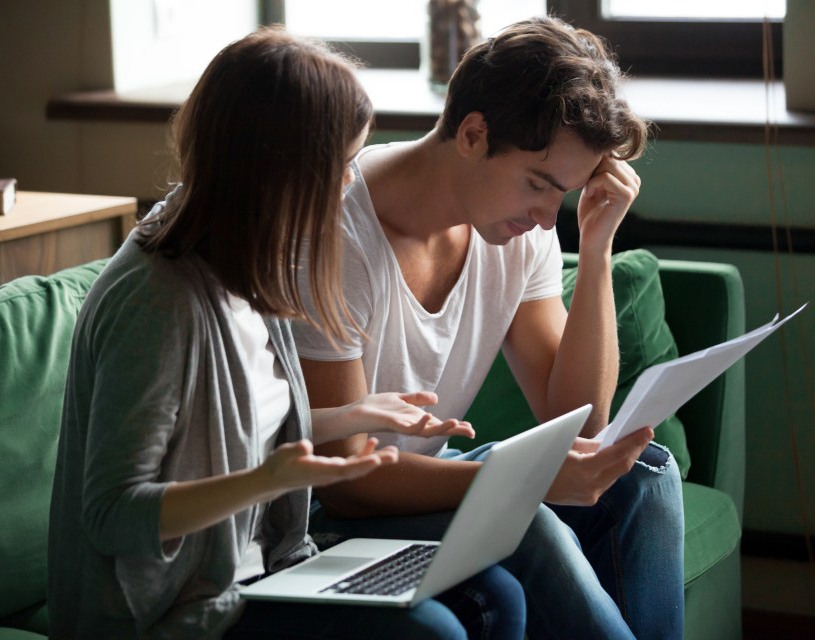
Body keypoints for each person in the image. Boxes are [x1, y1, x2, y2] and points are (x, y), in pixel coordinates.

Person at [47, 27, 527, 640]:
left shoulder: (250, 262)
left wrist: (353, 415)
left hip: (261, 567)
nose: (352, 182)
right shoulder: (159, 302)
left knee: (495, 594)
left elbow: (232, 426)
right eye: (342, 163)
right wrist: (265, 482)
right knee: (433, 629)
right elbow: (113, 514)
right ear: (280, 167)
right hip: (174, 611)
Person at [292, 16, 686, 640]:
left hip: (422, 474)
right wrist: (514, 484)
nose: (542, 214)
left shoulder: (520, 231)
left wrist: (597, 248)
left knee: (642, 476)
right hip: (323, 512)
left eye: (562, 193)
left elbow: (580, 418)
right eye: (538, 183)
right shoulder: (338, 236)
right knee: (529, 521)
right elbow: (345, 481)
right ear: (473, 134)